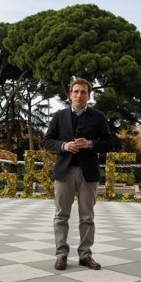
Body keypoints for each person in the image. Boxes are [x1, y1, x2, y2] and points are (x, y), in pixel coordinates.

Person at [43, 78, 112, 271]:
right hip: (63, 172)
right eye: (76, 92)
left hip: (88, 172)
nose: (79, 95)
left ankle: (85, 255)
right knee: (60, 215)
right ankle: (61, 255)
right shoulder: (59, 116)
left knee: (87, 217)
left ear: (89, 95)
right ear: (69, 95)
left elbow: (109, 143)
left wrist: (89, 144)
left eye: (83, 92)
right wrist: (64, 146)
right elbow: (47, 141)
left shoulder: (98, 117)